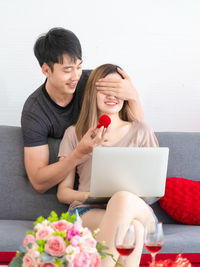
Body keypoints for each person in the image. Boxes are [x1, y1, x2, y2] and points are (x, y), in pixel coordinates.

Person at [57, 64, 159, 267]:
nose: (112, 96)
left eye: (118, 89)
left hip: (138, 209)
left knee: (122, 199)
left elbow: (155, 190)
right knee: (134, 230)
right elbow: (63, 193)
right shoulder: (74, 133)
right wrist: (94, 195)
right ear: (92, 94)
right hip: (88, 210)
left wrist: (122, 199)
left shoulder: (142, 130)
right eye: (106, 90)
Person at [21, 27, 143, 193]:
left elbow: (136, 130)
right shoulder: (35, 112)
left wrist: (133, 96)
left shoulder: (93, 82)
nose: (76, 76)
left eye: (79, 67)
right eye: (67, 70)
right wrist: (78, 154)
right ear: (46, 70)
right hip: (80, 184)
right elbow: (38, 182)